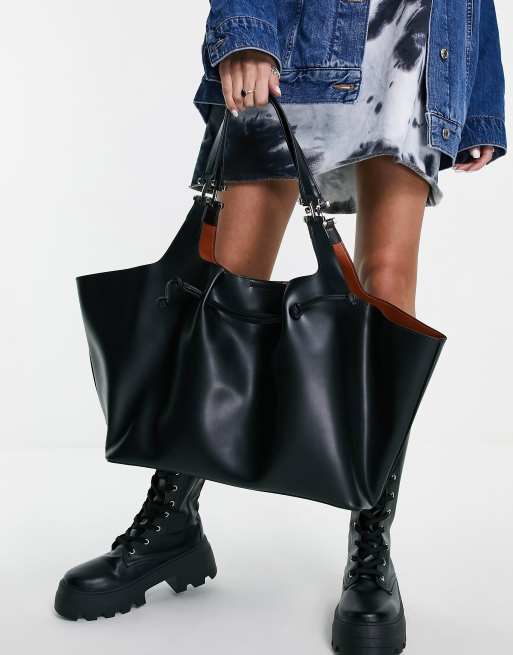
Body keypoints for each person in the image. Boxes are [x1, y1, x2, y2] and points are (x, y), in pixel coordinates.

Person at [54, 1, 506, 653]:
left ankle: (370, 549)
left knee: (385, 292)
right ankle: (171, 519)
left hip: (415, 43)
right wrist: (247, 32)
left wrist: (481, 99)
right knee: (227, 275)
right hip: (298, 35)